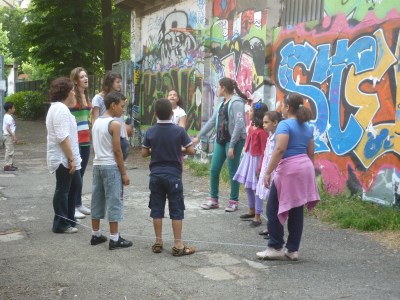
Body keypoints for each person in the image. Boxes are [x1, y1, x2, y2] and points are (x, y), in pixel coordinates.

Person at [256, 93, 320, 261]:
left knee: (273, 208)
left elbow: (279, 150)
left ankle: (275, 246)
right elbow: (311, 153)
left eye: (282, 105)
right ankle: (292, 250)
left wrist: (269, 171)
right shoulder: (307, 127)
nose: (281, 108)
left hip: (289, 170)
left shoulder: (284, 125)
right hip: (304, 167)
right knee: (296, 208)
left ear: (287, 107)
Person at [141, 99, 196, 256]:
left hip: (156, 175)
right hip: (174, 176)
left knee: (157, 209)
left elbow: (144, 153)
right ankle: (178, 244)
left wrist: (156, 150)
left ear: (155, 114)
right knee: (176, 209)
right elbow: (191, 151)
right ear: (172, 114)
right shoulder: (179, 131)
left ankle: (158, 242)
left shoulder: (150, 131)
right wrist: (179, 150)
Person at [193, 77, 247, 212]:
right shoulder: (222, 102)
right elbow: (212, 121)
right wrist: (199, 137)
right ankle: (213, 200)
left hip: (233, 141)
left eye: (218, 86)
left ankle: (233, 201)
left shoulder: (236, 102)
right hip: (220, 140)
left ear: (223, 88)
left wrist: (233, 145)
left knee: (232, 171)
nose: (216, 89)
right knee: (214, 169)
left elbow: (240, 124)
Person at [90, 91, 132, 250]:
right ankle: (115, 238)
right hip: (111, 166)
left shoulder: (96, 123)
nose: (123, 110)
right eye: (122, 106)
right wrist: (124, 173)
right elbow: (117, 151)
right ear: (113, 105)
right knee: (114, 199)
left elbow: (95, 147)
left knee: (97, 199)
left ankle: (96, 234)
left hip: (97, 165)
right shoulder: (114, 124)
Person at [46, 77, 82, 234]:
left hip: (68, 156)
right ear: (67, 92)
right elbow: (62, 137)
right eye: (72, 90)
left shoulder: (60, 108)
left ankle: (69, 218)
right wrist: (71, 159)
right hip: (63, 158)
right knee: (63, 189)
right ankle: (60, 223)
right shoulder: (60, 109)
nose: (74, 93)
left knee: (75, 185)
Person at [234, 101, 269, 227]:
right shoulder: (251, 126)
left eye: (251, 110)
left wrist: (261, 167)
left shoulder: (262, 132)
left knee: (256, 188)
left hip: (256, 160)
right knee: (248, 186)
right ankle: (251, 210)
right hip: (248, 158)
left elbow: (265, 150)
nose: (249, 112)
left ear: (257, 113)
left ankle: (258, 216)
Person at [255, 111, 283, 238]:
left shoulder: (278, 137)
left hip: (274, 173)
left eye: (266, 122)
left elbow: (276, 156)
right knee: (270, 203)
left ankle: (274, 230)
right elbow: (266, 156)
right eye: (263, 122)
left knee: (274, 204)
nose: (263, 124)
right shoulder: (270, 136)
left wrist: (269, 172)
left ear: (275, 123)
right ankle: (269, 227)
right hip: (267, 172)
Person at [92, 71, 130, 160]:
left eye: (120, 82)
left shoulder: (119, 97)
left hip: (120, 136)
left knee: (121, 164)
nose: (120, 84)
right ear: (110, 82)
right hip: (107, 136)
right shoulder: (98, 98)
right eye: (117, 82)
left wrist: (126, 136)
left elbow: (121, 118)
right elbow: (95, 120)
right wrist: (95, 140)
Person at [70, 67, 91, 219]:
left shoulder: (86, 96)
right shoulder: (73, 96)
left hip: (86, 139)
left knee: (81, 173)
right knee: (75, 174)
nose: (85, 78)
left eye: (86, 76)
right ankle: (72, 206)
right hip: (75, 139)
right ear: (76, 80)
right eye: (82, 77)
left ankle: (78, 203)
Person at [3, 102, 18, 171]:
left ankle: (10, 164)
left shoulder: (6, 115)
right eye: (13, 108)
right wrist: (13, 136)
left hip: (8, 136)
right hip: (8, 136)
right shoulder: (8, 117)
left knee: (10, 150)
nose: (14, 109)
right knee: (9, 151)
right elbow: (7, 128)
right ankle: (7, 165)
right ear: (9, 109)